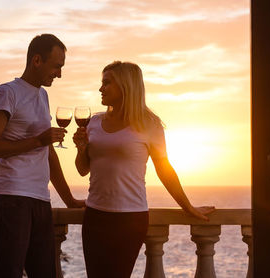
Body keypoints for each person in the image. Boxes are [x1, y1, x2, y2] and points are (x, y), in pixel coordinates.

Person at [72, 61, 216, 278]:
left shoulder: (150, 124)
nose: (100, 88)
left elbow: (164, 169)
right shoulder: (93, 122)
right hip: (95, 216)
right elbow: (83, 170)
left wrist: (188, 206)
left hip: (130, 218)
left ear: (125, 86)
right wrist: (81, 147)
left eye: (107, 83)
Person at [0, 34, 85, 278]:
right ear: (37, 60)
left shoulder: (42, 96)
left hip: (39, 200)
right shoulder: (7, 92)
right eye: (57, 66)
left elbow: (48, 154)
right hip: (10, 199)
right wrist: (38, 140)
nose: (59, 74)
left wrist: (68, 199)